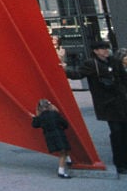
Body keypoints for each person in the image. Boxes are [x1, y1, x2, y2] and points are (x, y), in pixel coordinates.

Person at [67, 39, 127, 174]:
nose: (106, 50)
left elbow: (124, 79)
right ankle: (120, 163)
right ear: (96, 51)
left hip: (122, 102)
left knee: (123, 131)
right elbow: (77, 74)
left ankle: (124, 160)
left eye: (107, 47)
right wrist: (61, 68)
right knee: (117, 132)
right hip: (108, 103)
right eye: (103, 48)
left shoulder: (115, 62)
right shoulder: (91, 64)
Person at [32, 98, 72, 178]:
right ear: (49, 106)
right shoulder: (55, 114)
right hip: (59, 134)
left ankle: (68, 161)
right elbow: (65, 124)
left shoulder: (41, 117)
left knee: (62, 151)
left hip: (49, 136)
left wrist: (36, 116)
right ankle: (61, 171)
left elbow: (34, 125)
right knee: (63, 152)